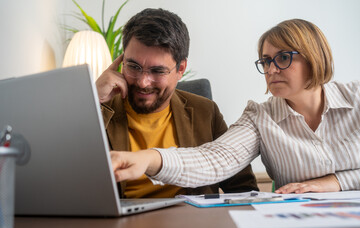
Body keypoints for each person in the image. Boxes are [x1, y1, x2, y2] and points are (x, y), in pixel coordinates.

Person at [111, 18, 360, 194]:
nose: (271, 69)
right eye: (265, 61)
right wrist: (151, 158)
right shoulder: (260, 117)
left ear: (315, 56)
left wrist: (336, 182)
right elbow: (214, 160)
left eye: (283, 58)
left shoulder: (356, 98)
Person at [96, 8, 258, 198]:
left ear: (181, 69)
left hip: (189, 222)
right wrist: (92, 99)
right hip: (119, 224)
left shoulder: (205, 112)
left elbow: (244, 190)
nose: (142, 81)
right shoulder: (98, 108)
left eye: (157, 71)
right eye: (133, 66)